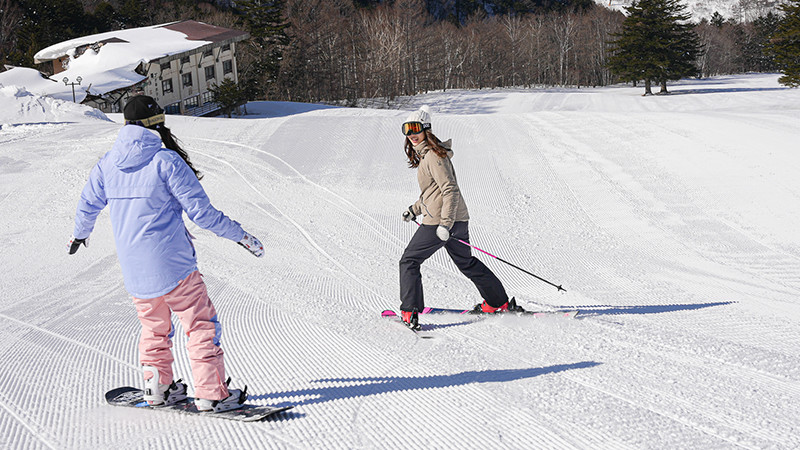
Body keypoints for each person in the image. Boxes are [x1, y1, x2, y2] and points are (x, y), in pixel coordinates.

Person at [68, 95, 264, 412]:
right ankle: (212, 394)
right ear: (158, 123)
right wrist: (240, 236)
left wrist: (79, 235)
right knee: (200, 325)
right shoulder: (166, 161)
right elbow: (202, 214)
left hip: (135, 270)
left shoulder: (108, 163)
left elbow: (88, 204)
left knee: (154, 329)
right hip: (174, 266)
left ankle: (157, 388)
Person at [398, 106, 521, 329]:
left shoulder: (434, 157)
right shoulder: (429, 155)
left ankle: (409, 311)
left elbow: (450, 189)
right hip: (456, 219)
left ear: (426, 129)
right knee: (466, 262)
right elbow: (432, 193)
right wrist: (414, 209)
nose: (411, 134)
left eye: (415, 128)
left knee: (409, 261)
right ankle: (497, 302)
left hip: (440, 222)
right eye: (406, 130)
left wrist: (445, 224)